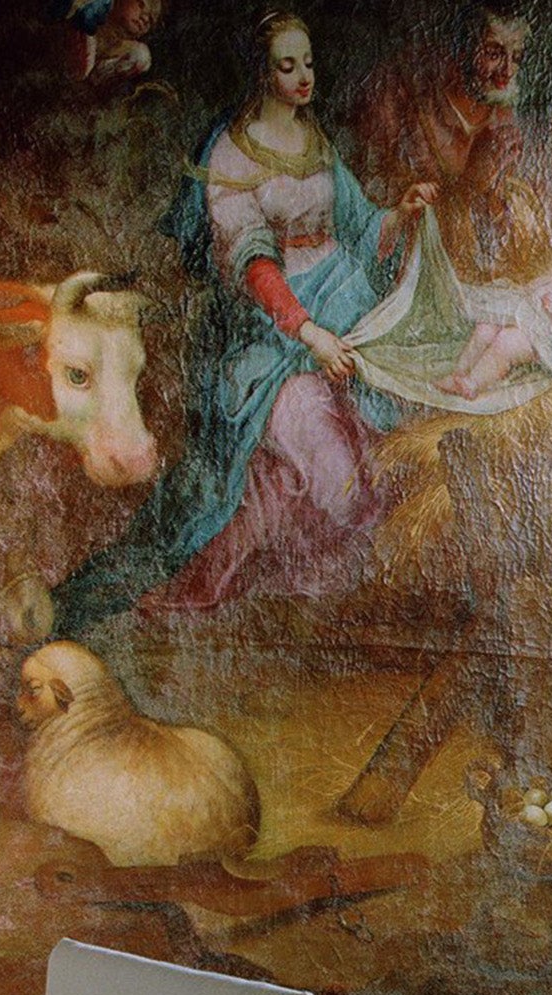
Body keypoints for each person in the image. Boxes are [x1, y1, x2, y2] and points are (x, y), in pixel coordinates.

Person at [51, 13, 434, 629]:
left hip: (349, 305)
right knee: (332, 467)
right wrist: (309, 334)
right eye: (287, 65)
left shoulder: (314, 139)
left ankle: (320, 577)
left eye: (307, 62)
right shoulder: (230, 153)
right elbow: (254, 264)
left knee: (398, 430)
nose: (303, 76)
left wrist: (401, 215)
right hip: (270, 337)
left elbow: (360, 226)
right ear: (261, 71)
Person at [353, 7, 548, 286]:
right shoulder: (411, 101)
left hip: (475, 267)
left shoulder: (503, 115)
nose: (507, 70)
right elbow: (374, 194)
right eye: (493, 54)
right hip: (416, 260)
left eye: (516, 57)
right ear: (465, 49)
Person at [441, 243, 552, 399]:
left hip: (543, 342)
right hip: (524, 318)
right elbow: (525, 291)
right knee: (485, 328)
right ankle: (458, 373)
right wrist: (534, 297)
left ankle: (473, 383)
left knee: (506, 341)